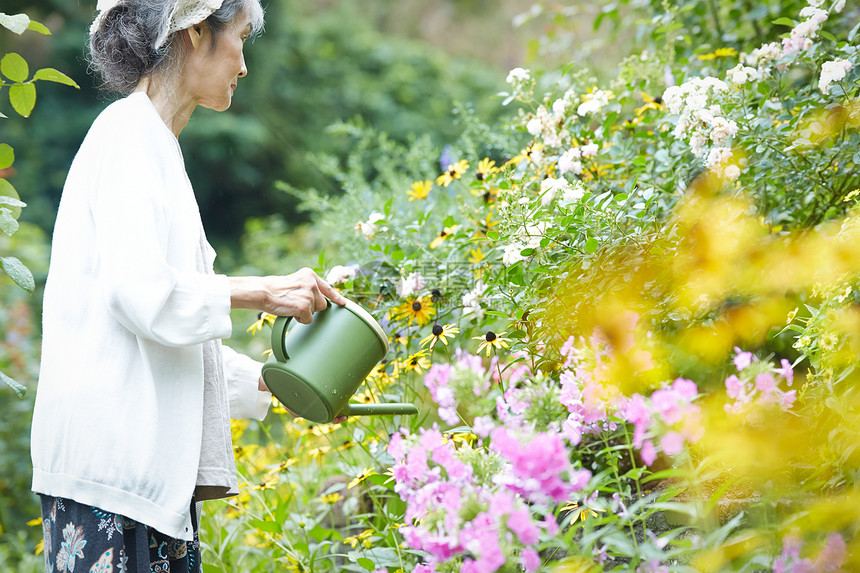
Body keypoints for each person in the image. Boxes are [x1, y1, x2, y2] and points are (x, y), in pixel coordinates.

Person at [29, 1, 347, 571]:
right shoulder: (127, 135)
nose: (244, 64)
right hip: (113, 476)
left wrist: (282, 386)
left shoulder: (153, 143)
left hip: (134, 478)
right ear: (196, 31)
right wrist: (266, 291)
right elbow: (142, 294)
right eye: (241, 38)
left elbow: (166, 332)